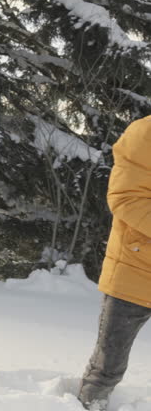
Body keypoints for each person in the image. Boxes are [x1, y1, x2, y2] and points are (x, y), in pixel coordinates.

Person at [79, 116, 151, 411]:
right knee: (108, 367)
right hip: (134, 269)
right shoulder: (145, 132)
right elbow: (125, 198)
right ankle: (88, 407)